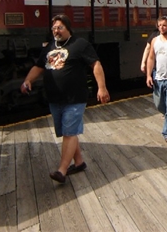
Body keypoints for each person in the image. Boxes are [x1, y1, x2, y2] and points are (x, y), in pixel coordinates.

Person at [21, 14, 110, 183]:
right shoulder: (49, 47)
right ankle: (79, 162)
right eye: (54, 28)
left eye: (60, 27)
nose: (56, 31)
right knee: (67, 132)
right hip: (55, 99)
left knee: (69, 132)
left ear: (68, 28)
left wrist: (102, 87)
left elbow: (96, 64)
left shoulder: (80, 44)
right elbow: (39, 66)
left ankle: (61, 170)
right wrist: (27, 80)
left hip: (75, 97)